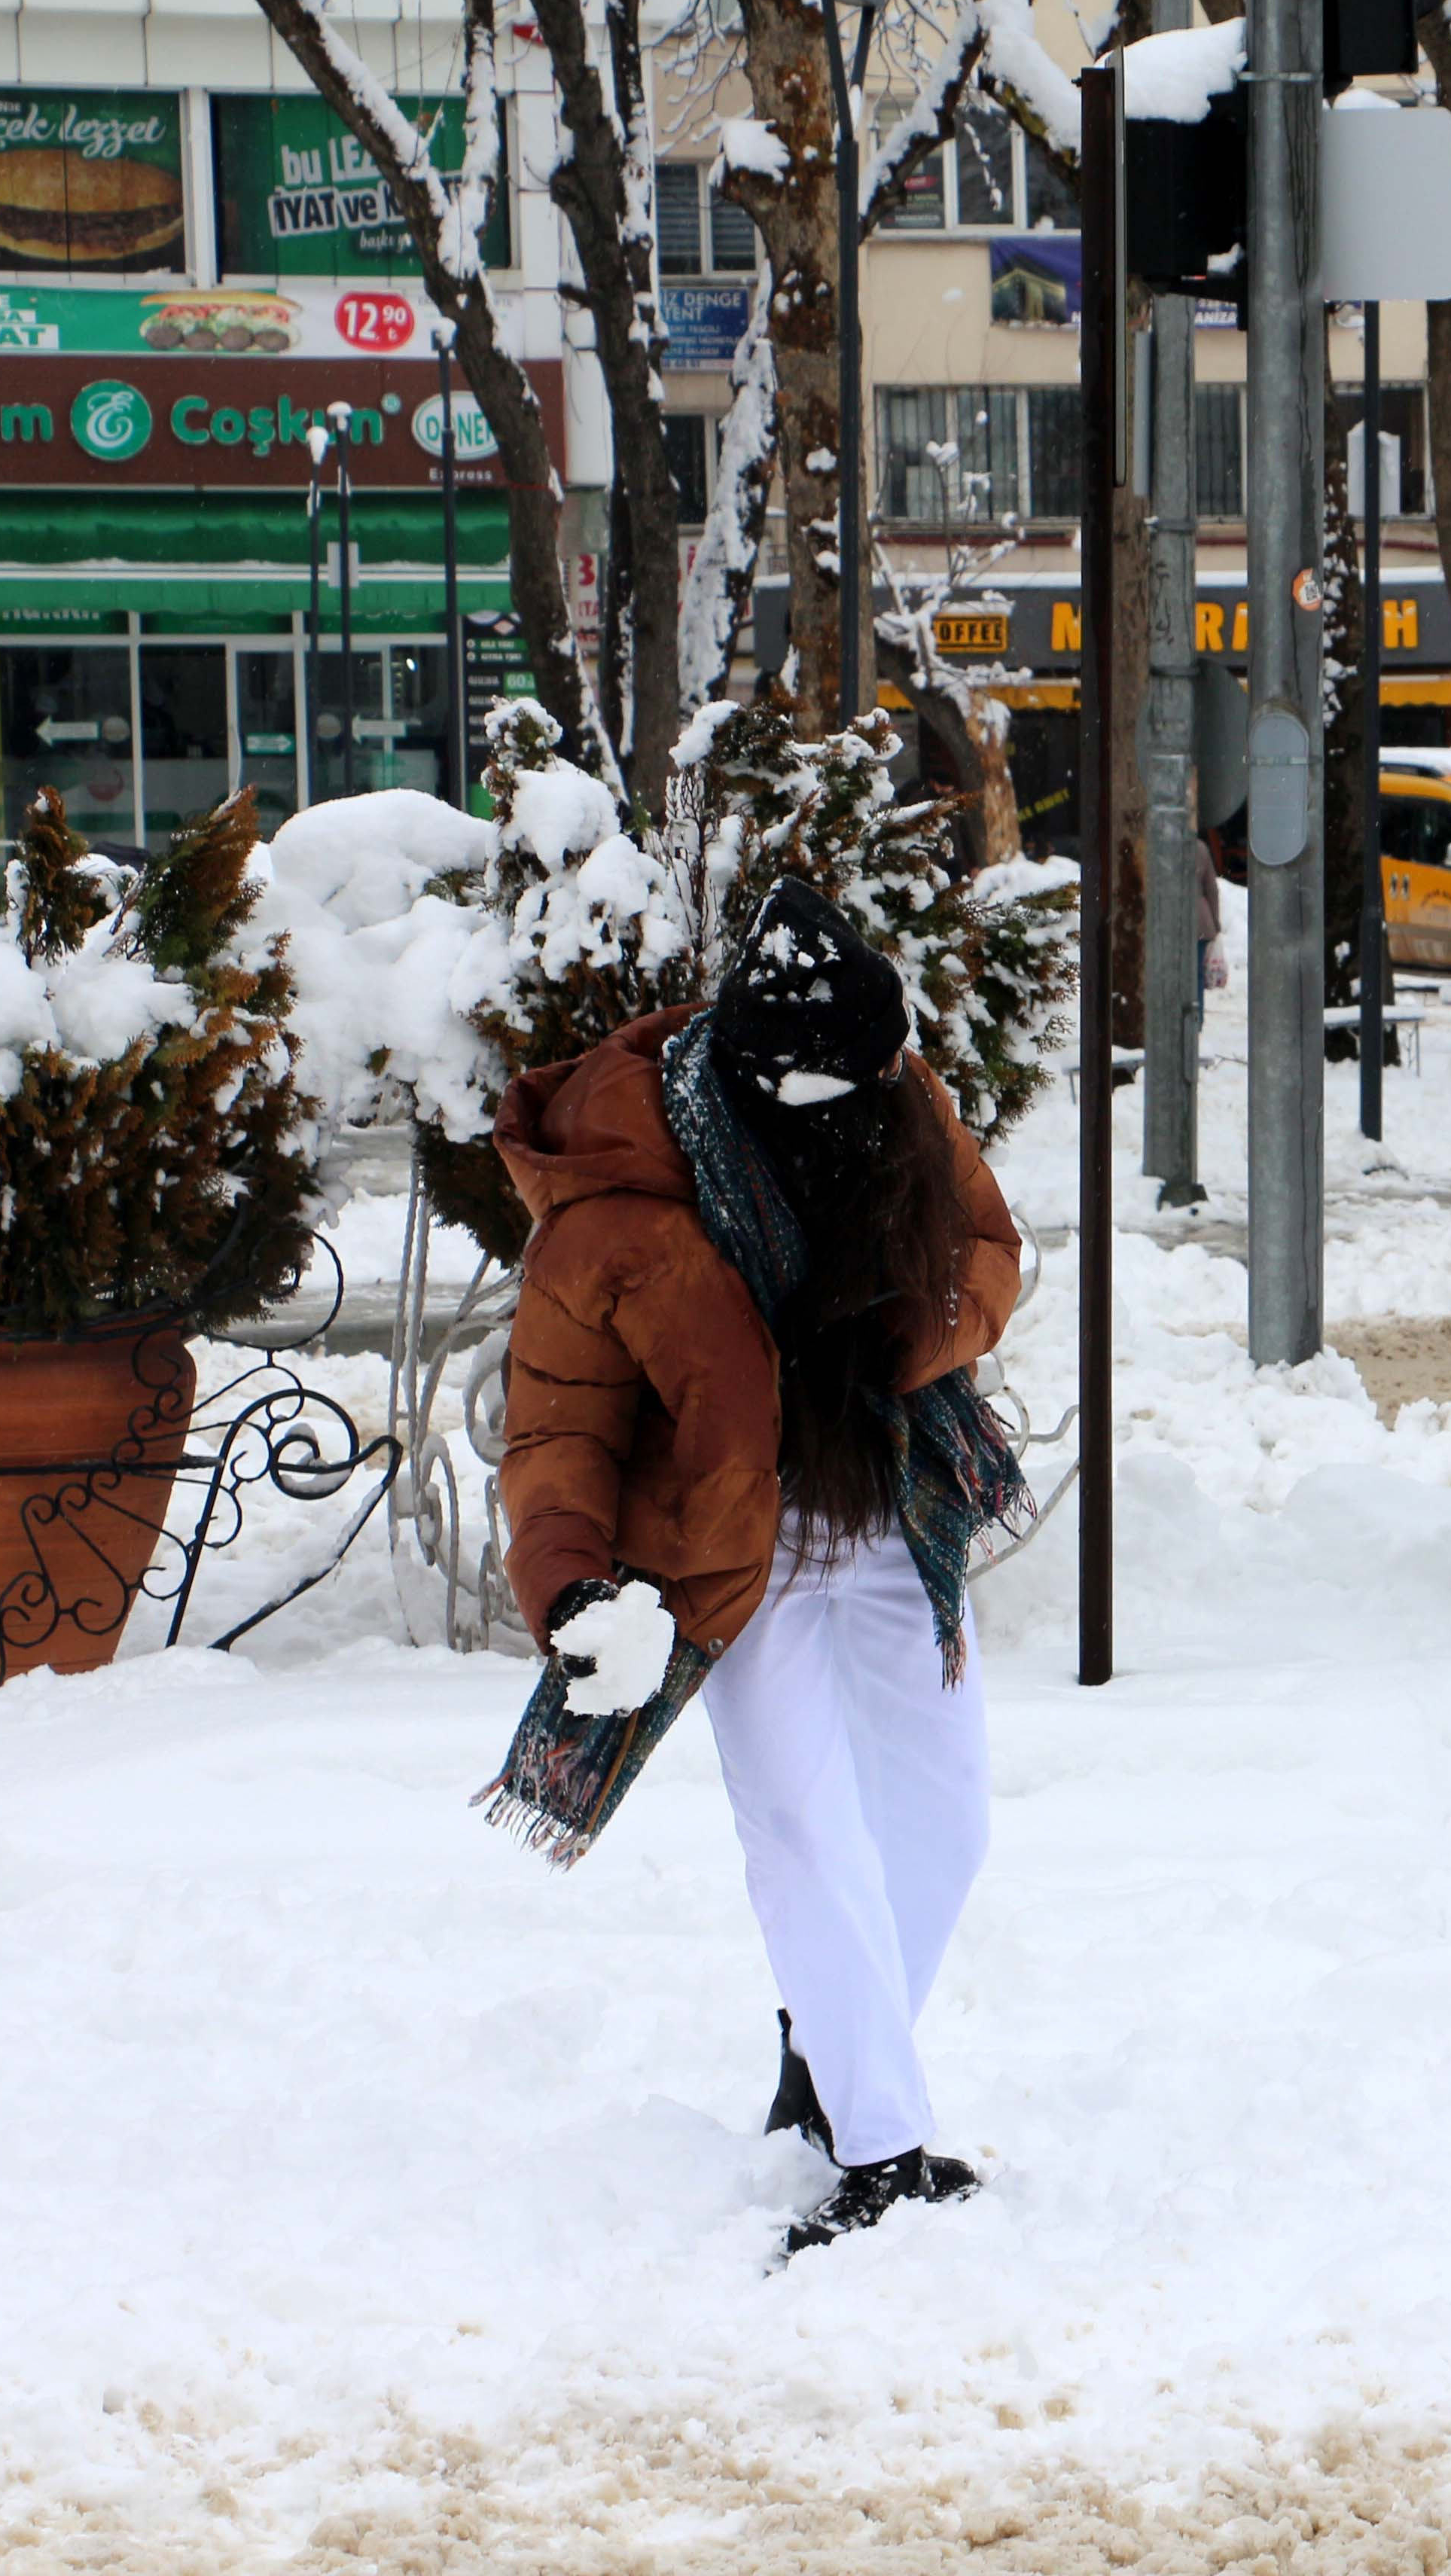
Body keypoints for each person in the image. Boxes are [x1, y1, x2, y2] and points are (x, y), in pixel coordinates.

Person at [487, 878, 1028, 2257]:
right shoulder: (621, 1202)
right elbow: (557, 1428)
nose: (883, 1106)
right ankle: (878, 2150)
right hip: (733, 1542)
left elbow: (986, 1247)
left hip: (889, 1499)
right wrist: (572, 1590)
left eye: (889, 1079)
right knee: (804, 1833)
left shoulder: (892, 1091)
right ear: (771, 1083)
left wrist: (906, 1339)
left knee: (945, 1825)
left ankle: (827, 2050)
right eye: (850, 1091)